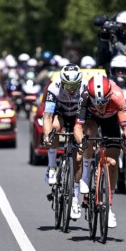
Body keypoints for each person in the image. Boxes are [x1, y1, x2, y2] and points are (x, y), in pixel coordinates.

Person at [74, 75, 126, 228]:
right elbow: (78, 127)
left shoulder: (118, 96)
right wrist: (81, 142)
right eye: (96, 101)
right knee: (88, 134)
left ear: (109, 95)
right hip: (91, 118)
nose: (100, 105)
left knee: (112, 163)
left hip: (111, 120)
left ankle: (109, 208)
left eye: (103, 101)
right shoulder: (85, 95)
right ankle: (86, 175)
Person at [41, 64, 84, 220]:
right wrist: (47, 136)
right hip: (61, 114)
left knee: (78, 158)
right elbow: (47, 115)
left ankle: (75, 199)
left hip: (78, 117)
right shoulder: (54, 87)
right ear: (62, 82)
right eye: (68, 86)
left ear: (80, 83)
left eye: (74, 86)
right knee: (54, 129)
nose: (71, 89)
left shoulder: (85, 88)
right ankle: (52, 167)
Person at [97, 11, 126, 87]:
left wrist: (117, 44)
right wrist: (103, 38)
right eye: (123, 26)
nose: (125, 29)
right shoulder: (113, 37)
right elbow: (101, 60)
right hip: (112, 77)